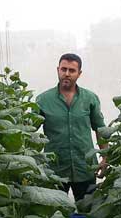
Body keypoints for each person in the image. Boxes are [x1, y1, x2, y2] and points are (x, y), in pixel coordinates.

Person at [36, 53, 108, 201]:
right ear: (58, 70)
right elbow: (29, 132)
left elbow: (100, 129)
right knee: (55, 211)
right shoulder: (43, 100)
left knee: (87, 209)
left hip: (85, 167)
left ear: (79, 73)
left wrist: (105, 158)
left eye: (72, 70)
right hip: (54, 170)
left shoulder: (90, 98)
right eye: (64, 69)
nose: (67, 74)